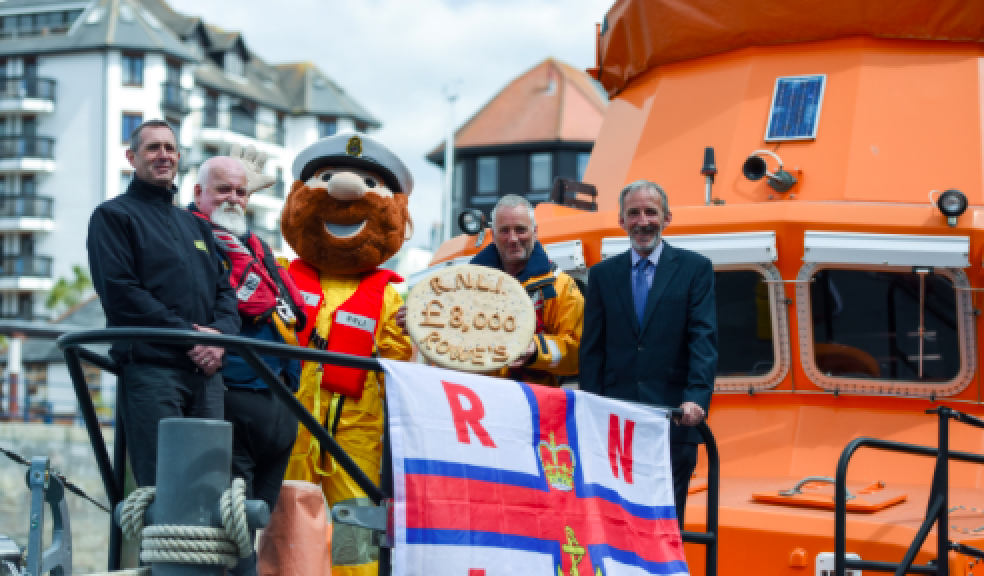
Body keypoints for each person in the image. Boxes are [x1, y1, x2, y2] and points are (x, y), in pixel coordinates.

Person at [280, 132, 414, 576]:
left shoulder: (394, 296)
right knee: (291, 538)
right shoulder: (279, 277)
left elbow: (402, 363)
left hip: (359, 439)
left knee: (358, 551)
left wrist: (409, 334)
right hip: (291, 429)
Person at [86, 120, 240, 487]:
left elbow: (226, 294)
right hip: (152, 373)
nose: (163, 155)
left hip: (206, 377)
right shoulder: (113, 216)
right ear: (132, 157)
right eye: (153, 148)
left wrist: (218, 337)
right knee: (161, 491)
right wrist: (190, 336)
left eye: (170, 148)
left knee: (210, 493)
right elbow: (122, 294)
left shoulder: (197, 227)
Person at [188, 151, 307, 576]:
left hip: (278, 400)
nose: (234, 199)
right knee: (227, 529)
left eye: (241, 191)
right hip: (228, 397)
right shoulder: (190, 241)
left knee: (254, 520)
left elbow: (290, 310)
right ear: (198, 193)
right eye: (223, 190)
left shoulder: (256, 248)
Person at [579, 179, 717, 529]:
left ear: (666, 217)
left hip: (673, 418)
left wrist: (697, 399)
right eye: (634, 213)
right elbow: (592, 351)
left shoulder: (695, 269)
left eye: (651, 212)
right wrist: (591, 409)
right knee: (614, 521)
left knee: (667, 524)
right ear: (622, 221)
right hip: (615, 422)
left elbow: (703, 338)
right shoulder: (602, 276)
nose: (643, 221)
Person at [468, 194, 583, 387]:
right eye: (504, 231)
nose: (513, 239)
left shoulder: (561, 287)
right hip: (478, 400)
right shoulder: (467, 285)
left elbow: (579, 354)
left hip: (535, 405)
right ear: (494, 236)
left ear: (535, 232)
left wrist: (536, 349)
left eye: (521, 229)